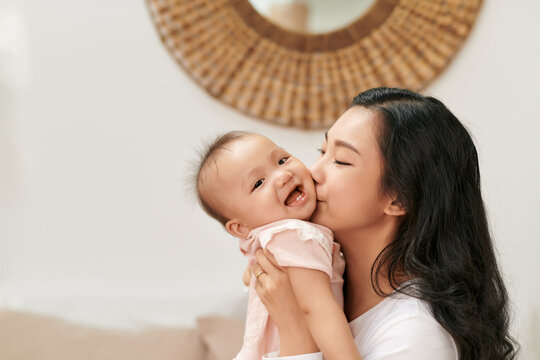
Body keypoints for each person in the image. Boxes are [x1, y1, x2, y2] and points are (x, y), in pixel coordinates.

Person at [251, 87, 518, 360]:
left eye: (341, 161)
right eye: (321, 151)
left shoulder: (416, 335)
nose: (313, 172)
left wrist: (293, 326)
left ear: (399, 199)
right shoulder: (325, 285)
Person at [195, 132, 362, 359]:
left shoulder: (273, 239)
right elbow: (317, 308)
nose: (283, 175)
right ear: (240, 228)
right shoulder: (295, 235)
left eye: (282, 160)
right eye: (259, 183)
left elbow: (249, 277)